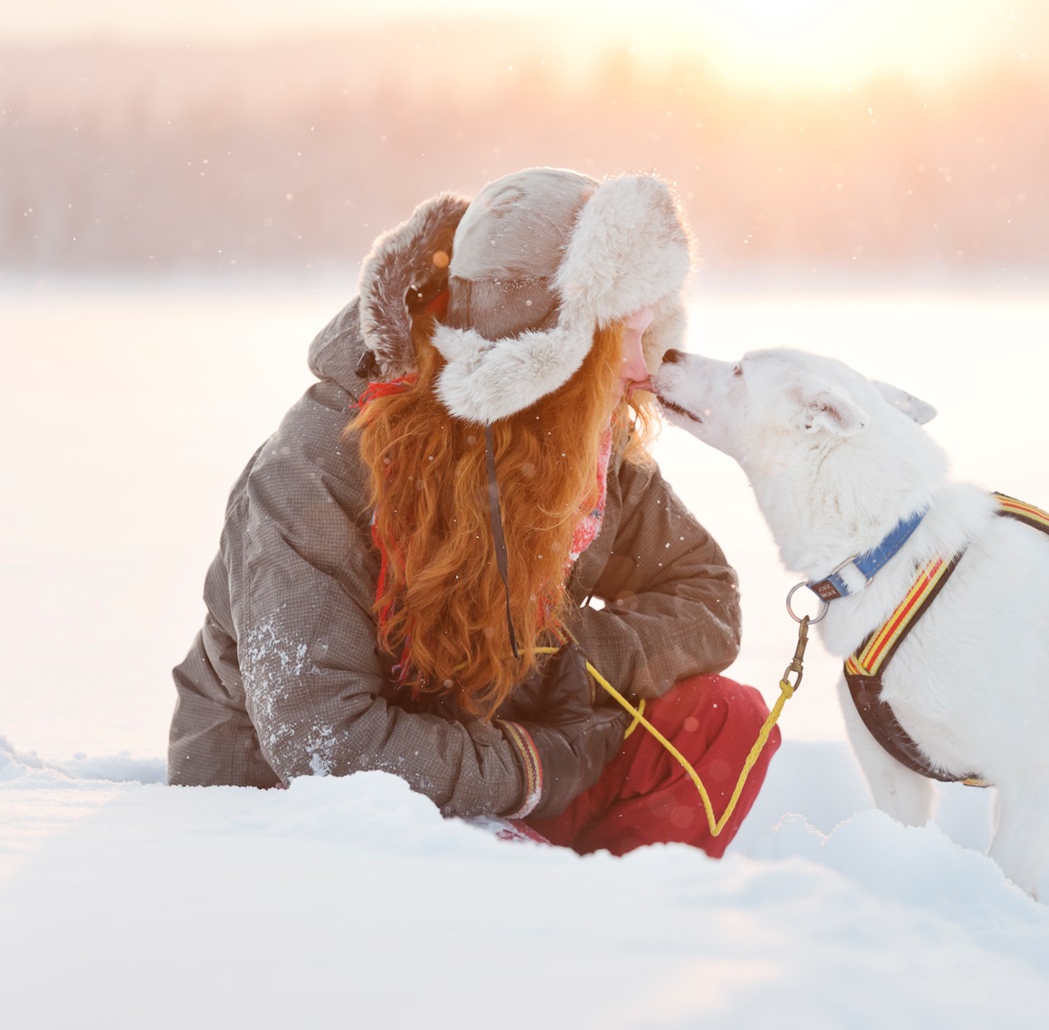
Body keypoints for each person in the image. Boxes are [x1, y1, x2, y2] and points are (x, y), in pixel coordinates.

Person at [168, 167, 777, 856]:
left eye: (650, 331)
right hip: (302, 814)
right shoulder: (314, 469)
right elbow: (322, 745)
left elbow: (705, 596)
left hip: (491, 755)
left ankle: (604, 922)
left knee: (722, 721)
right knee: (386, 810)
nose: (644, 369)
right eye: (622, 338)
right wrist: (532, 765)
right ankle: (505, 899)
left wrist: (555, 659)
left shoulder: (580, 444)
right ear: (546, 352)